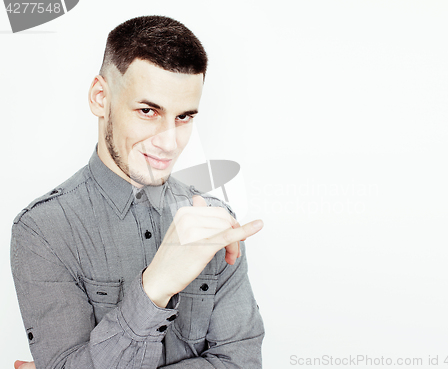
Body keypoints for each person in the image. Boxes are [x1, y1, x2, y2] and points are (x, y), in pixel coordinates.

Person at [11, 15, 265, 369]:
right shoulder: (44, 230)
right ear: (101, 98)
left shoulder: (215, 221)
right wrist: (156, 285)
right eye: (148, 111)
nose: (169, 141)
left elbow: (241, 362)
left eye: (184, 117)